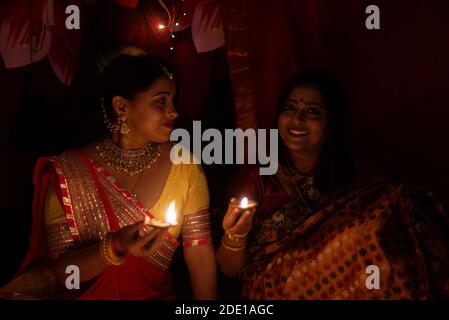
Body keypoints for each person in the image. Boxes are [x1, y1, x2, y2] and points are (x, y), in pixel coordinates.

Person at [216, 69, 449, 299]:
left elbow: (385, 209)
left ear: (331, 124)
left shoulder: (352, 173)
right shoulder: (256, 177)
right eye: (290, 108)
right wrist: (235, 236)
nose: (297, 119)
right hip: (278, 285)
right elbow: (229, 270)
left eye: (313, 112)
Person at [1, 54, 217, 300]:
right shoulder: (69, 173)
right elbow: (66, 274)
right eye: (161, 101)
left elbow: (199, 253)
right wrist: (116, 245)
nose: (174, 112)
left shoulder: (184, 164)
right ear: (121, 106)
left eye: (173, 101)